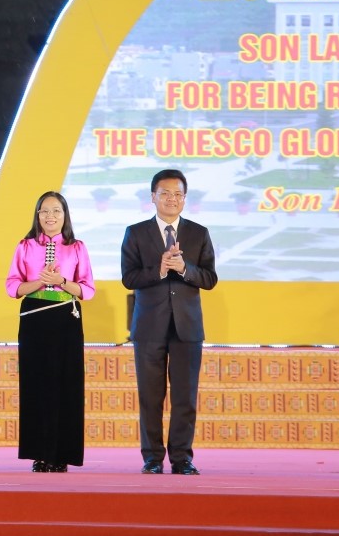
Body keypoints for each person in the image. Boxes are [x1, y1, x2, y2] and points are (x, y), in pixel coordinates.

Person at [121, 169, 217, 476]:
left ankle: (182, 458)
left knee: (184, 397)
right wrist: (160, 270)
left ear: (185, 199)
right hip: (149, 326)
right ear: (153, 197)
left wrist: (185, 268)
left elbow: (210, 278)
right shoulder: (136, 233)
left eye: (178, 194)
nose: (172, 199)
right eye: (165, 194)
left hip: (187, 327)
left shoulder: (199, 233)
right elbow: (129, 278)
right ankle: (152, 458)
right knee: (150, 397)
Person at [5, 191, 95, 473]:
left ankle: (62, 455)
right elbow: (12, 287)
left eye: (56, 211)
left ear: (65, 215)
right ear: (37, 215)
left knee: (66, 385)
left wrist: (61, 280)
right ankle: (40, 454)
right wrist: (39, 282)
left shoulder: (77, 247)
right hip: (34, 318)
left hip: (66, 318)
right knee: (37, 384)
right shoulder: (25, 246)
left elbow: (88, 290)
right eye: (44, 211)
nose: (50, 216)